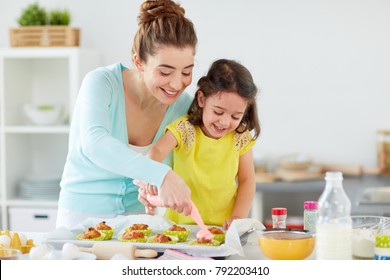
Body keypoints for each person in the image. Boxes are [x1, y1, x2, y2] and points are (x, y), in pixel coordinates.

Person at [56, 0, 197, 228]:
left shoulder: (184, 106)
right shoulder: (101, 83)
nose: (177, 83)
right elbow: (95, 143)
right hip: (81, 216)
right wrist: (161, 175)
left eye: (187, 71)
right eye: (165, 71)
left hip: (138, 222)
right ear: (138, 61)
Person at [146, 59, 261, 229]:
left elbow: (247, 180)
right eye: (218, 111)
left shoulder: (240, 137)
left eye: (235, 116)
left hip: (221, 229)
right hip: (180, 227)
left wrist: (238, 216)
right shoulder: (185, 129)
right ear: (202, 99)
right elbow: (156, 151)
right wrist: (153, 174)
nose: (224, 122)